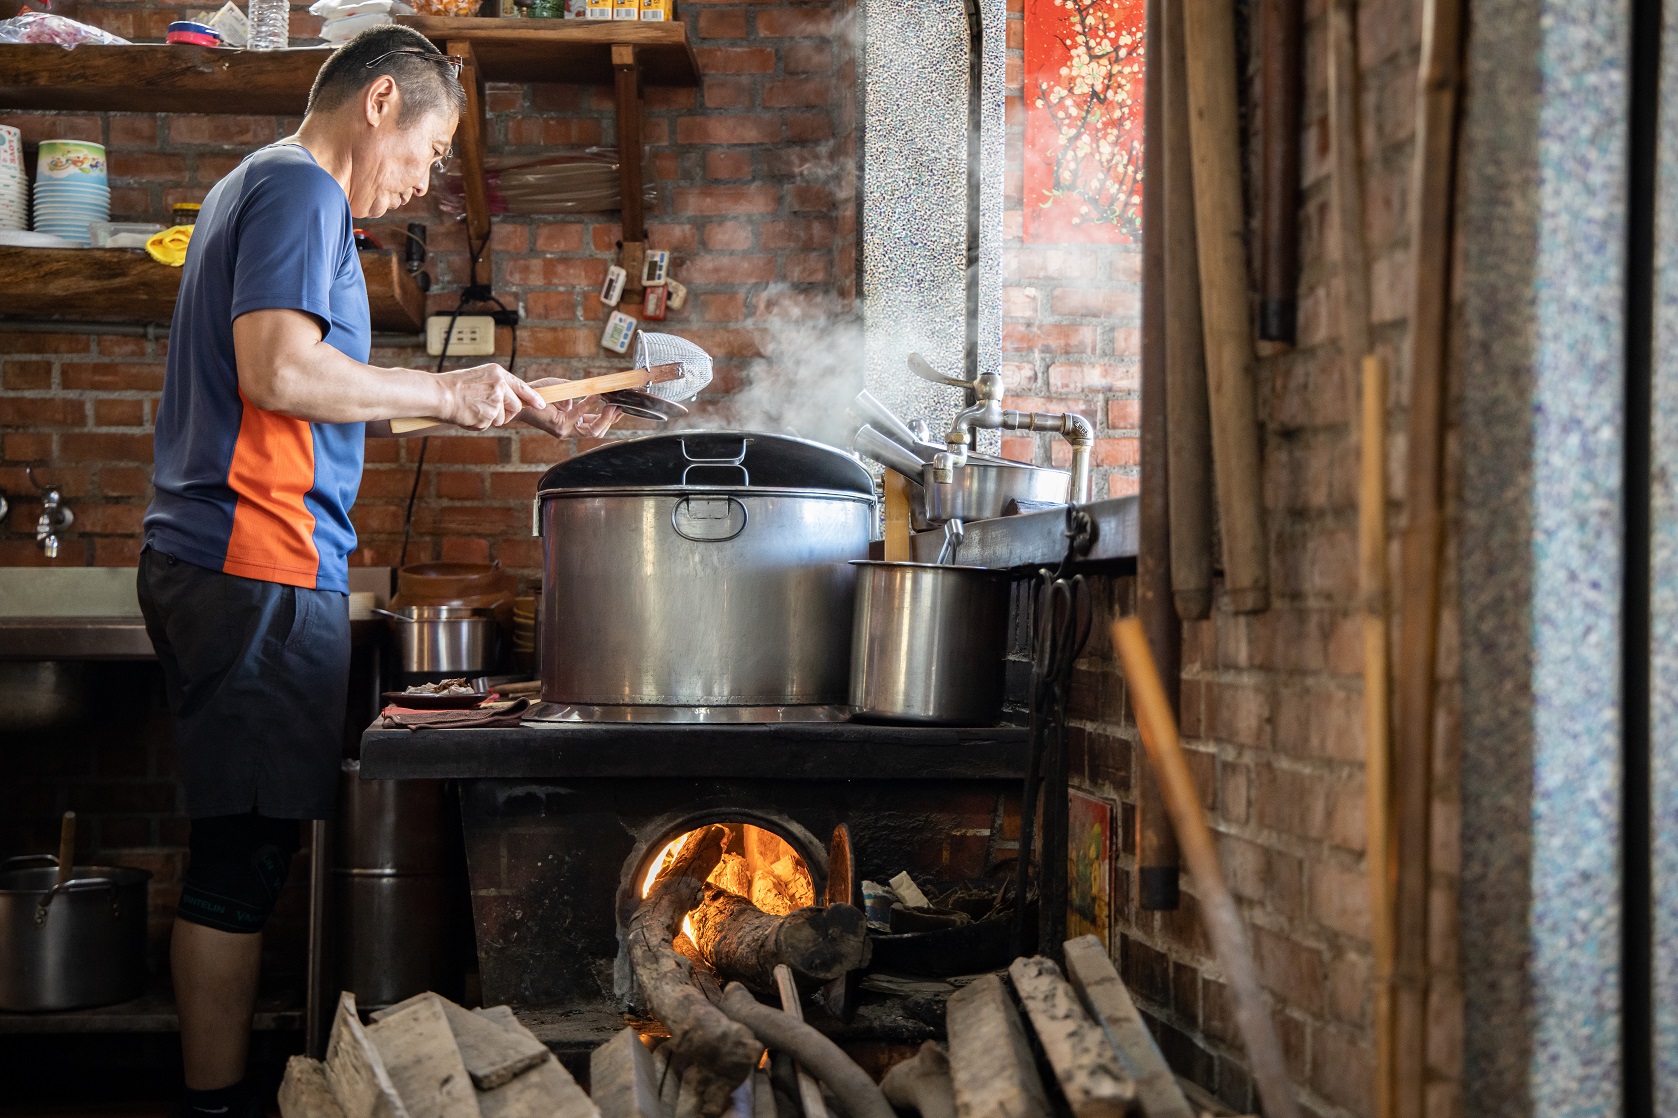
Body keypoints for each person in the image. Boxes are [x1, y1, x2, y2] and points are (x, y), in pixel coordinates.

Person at [137, 26, 613, 1118]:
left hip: (240, 562)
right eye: (436, 149)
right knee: (239, 866)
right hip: (254, 560)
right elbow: (280, 372)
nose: (428, 179)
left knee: (238, 853)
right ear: (382, 102)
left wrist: (489, 399)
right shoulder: (304, 192)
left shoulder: (259, 188)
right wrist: (447, 392)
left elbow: (320, 393)